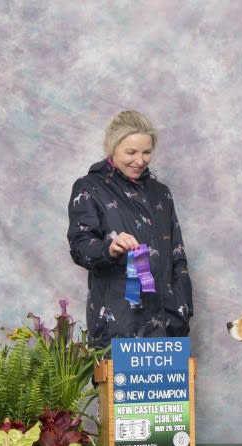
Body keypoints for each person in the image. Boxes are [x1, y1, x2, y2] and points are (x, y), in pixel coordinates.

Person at [67, 110, 192, 349]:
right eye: (131, 152)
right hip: (119, 324)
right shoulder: (89, 188)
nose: (140, 160)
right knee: (118, 387)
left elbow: (177, 254)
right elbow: (79, 246)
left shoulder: (161, 193)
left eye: (147, 152)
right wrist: (109, 249)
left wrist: (182, 309)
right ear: (112, 147)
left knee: (170, 387)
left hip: (168, 326)